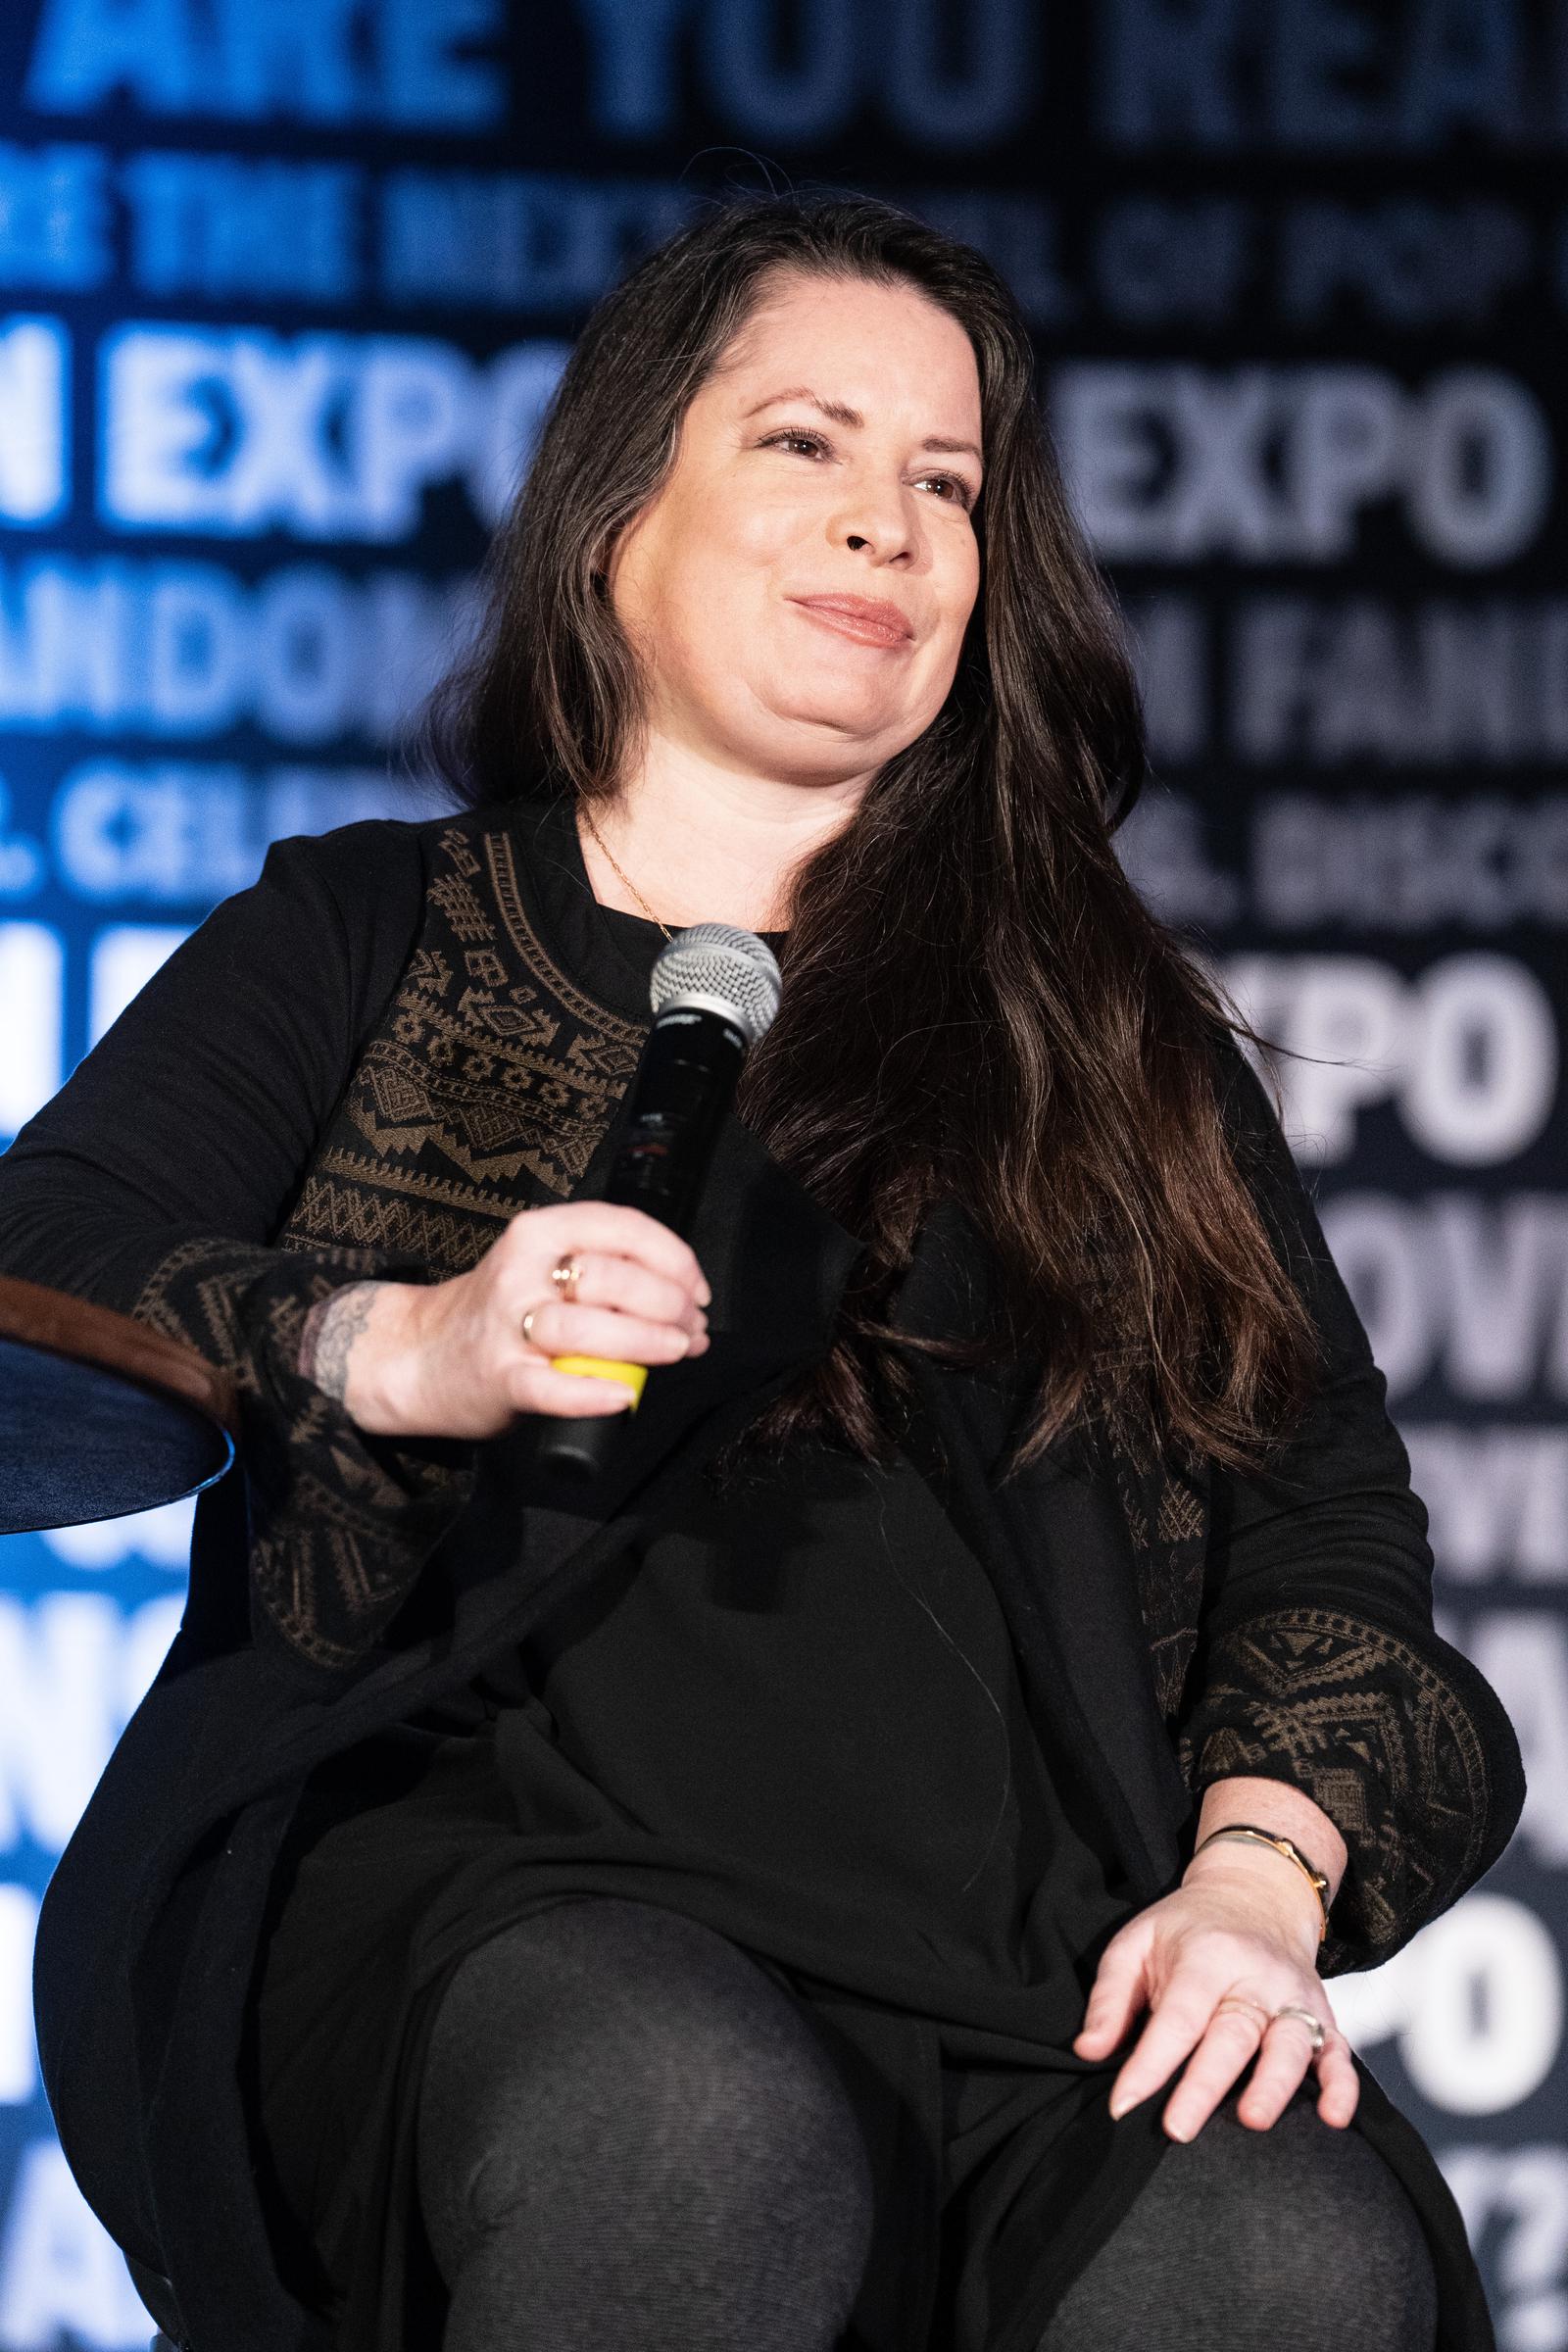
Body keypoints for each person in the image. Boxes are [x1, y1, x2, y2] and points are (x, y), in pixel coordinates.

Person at [0, 192, 1525, 2352]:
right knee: (687, 2131)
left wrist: (1248, 1886)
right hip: (488, 1883)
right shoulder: (363, 930)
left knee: (1273, 2237)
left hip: (1019, 1941)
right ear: (617, 517)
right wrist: (401, 1342)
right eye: (804, 445)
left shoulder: (1100, 1033)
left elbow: (1321, 1513)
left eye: (942, 483)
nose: (887, 526)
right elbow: (36, 1272)